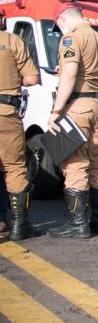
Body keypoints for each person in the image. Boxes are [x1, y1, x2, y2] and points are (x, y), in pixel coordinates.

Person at [47, 5, 98, 239]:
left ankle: (78, 224)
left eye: (59, 25)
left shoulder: (70, 38)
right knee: (95, 161)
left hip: (78, 107)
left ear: (62, 18)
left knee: (75, 162)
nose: (60, 29)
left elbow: (71, 74)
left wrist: (56, 111)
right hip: (97, 106)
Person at [0, 13, 40, 241]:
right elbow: (32, 79)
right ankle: (18, 226)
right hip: (5, 112)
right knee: (14, 168)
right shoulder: (12, 40)